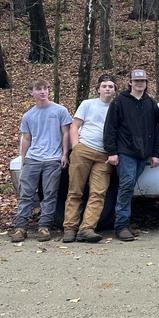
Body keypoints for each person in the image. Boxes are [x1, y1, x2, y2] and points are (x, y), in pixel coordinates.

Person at [10, 80, 72, 243]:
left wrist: (65, 154)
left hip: (53, 158)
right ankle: (20, 227)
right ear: (32, 92)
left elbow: (66, 133)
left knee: (50, 193)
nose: (43, 92)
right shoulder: (28, 115)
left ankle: (44, 227)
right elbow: (26, 138)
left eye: (45, 89)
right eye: (39, 89)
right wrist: (24, 159)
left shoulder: (60, 111)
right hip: (33, 158)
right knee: (26, 194)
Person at [103, 69, 159, 241]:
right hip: (125, 151)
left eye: (142, 81)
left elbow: (155, 129)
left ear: (146, 82)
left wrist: (155, 153)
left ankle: (124, 223)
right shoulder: (119, 102)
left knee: (128, 187)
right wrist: (112, 152)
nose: (139, 84)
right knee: (127, 184)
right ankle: (121, 226)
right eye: (136, 81)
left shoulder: (150, 103)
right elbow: (110, 127)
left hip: (143, 154)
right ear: (130, 83)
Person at [62, 74, 116, 243]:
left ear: (115, 90)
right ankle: (69, 228)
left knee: (98, 193)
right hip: (84, 149)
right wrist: (76, 146)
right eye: (104, 86)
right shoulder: (88, 104)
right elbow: (75, 126)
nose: (107, 89)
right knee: (75, 191)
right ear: (98, 89)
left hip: (104, 155)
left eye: (111, 86)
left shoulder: (117, 107)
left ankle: (87, 229)